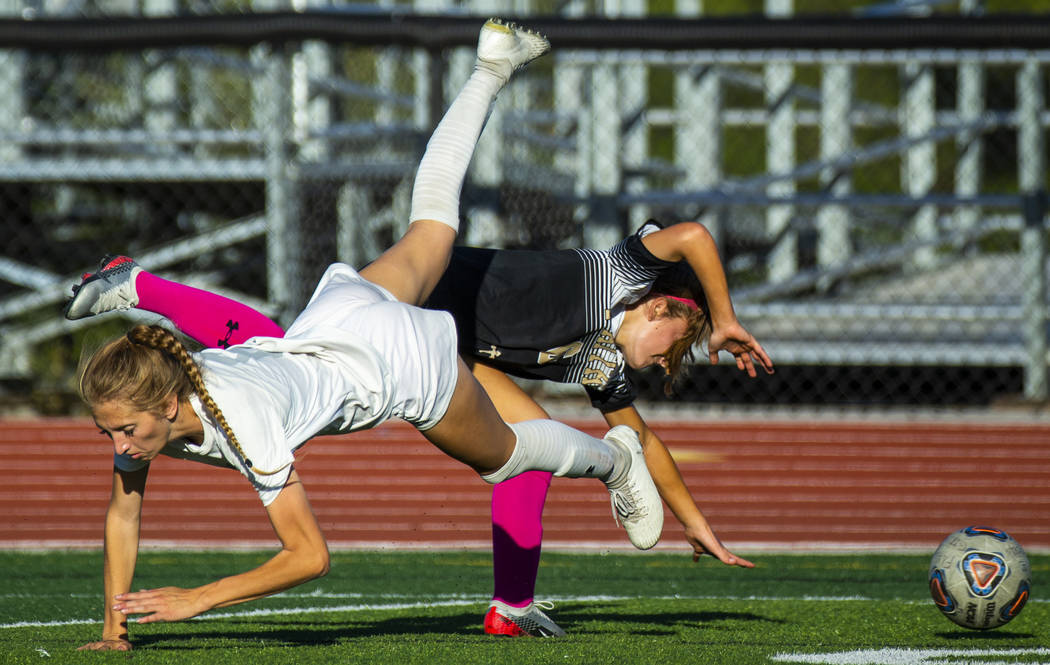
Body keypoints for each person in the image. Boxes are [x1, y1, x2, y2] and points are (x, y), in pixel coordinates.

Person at [70, 19, 666, 652]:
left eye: (125, 431)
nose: (119, 445)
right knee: (433, 222)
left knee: (506, 458)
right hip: (340, 317)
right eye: (108, 432)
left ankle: (617, 459)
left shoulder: (241, 425)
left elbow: (308, 557)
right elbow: (122, 513)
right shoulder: (155, 398)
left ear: (166, 406)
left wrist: (200, 598)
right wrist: (115, 632)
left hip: (394, 364)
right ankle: (492, 68)